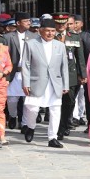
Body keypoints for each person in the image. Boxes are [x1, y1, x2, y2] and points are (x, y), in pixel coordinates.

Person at [21, 18, 69, 148]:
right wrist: (26, 83)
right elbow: (26, 64)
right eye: (47, 31)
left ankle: (52, 137)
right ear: (40, 31)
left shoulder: (60, 45)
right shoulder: (30, 44)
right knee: (32, 108)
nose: (50, 33)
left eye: (53, 31)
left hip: (55, 82)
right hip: (36, 82)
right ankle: (30, 127)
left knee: (55, 110)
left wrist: (65, 85)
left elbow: (64, 67)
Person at [53, 12, 86, 140]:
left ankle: (64, 125)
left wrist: (82, 74)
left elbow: (80, 57)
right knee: (56, 104)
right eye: (57, 23)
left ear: (67, 23)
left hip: (71, 75)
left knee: (69, 102)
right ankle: (57, 128)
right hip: (54, 75)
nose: (60, 26)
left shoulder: (74, 37)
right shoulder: (49, 36)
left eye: (63, 23)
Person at [4, 12, 37, 130]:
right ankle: (12, 116)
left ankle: (24, 124)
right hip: (14, 73)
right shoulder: (8, 37)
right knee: (12, 99)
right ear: (18, 23)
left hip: (28, 73)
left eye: (29, 20)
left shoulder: (34, 36)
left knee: (27, 100)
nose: (29, 23)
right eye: (26, 21)